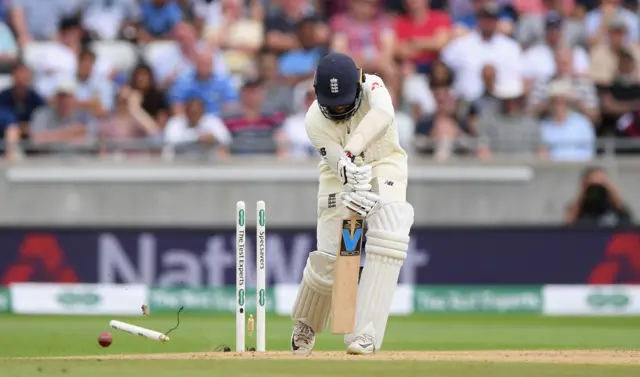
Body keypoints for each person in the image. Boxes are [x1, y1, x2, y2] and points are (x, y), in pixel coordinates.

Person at [291, 52, 414, 355]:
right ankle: (306, 323)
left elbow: (383, 115)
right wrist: (348, 169)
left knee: (391, 228)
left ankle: (366, 333)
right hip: (337, 174)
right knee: (333, 255)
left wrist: (353, 150)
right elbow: (337, 162)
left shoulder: (374, 87)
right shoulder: (313, 121)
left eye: (346, 102)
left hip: (384, 164)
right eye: (333, 106)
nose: (341, 109)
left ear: (358, 85)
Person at [565, 166, 633, 226]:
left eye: (601, 183)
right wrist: (582, 194)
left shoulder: (616, 208)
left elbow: (628, 227)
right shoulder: (578, 208)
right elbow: (567, 230)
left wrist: (612, 193)